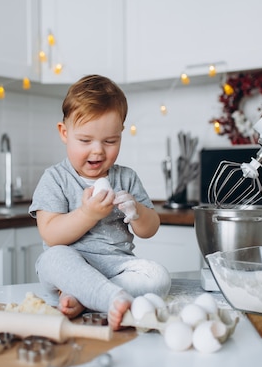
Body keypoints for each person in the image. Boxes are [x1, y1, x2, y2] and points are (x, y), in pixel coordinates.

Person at [29, 74, 171, 330]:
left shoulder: (125, 178)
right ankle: (108, 297)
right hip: (70, 267)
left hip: (117, 268)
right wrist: (87, 213)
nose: (98, 150)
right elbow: (50, 234)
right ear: (64, 133)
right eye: (85, 141)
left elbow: (150, 229)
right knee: (53, 258)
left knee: (158, 277)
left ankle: (86, 297)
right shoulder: (55, 178)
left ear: (121, 135)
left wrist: (136, 212)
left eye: (110, 141)